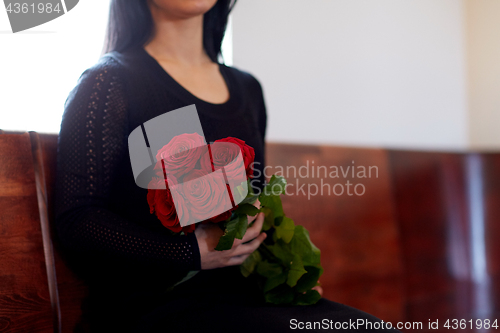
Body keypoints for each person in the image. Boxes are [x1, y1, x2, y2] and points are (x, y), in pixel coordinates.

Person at [54, 0, 401, 332]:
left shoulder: (247, 89)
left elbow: (255, 205)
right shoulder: (109, 83)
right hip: (157, 306)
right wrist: (191, 252)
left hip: (245, 297)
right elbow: (77, 220)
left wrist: (285, 273)